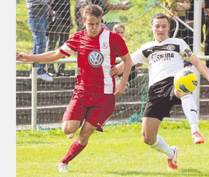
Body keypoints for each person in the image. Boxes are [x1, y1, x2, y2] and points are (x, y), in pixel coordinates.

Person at [17, 4, 133, 173]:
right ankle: (78, 119)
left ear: (102, 21)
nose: (93, 28)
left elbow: (128, 61)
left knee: (85, 133)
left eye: (97, 23)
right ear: (83, 22)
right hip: (82, 92)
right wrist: (29, 57)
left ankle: (64, 162)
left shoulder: (113, 38)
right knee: (67, 129)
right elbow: (55, 54)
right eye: (90, 24)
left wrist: (122, 83)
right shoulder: (78, 38)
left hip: (105, 96)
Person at [112, 13, 209, 169]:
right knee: (148, 138)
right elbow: (126, 64)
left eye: (164, 26)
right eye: (157, 26)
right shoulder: (146, 48)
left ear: (169, 27)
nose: (160, 29)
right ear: (152, 28)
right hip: (155, 91)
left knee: (183, 87)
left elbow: (195, 61)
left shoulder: (178, 43)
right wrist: (112, 71)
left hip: (174, 81)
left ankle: (195, 130)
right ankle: (171, 153)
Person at [26, 0, 53, 81]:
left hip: (43, 13)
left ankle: (34, 70)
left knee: (37, 44)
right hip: (35, 13)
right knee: (41, 43)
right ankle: (39, 71)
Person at [46, 0, 73, 76]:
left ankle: (61, 70)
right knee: (52, 43)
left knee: (64, 45)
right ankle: (50, 69)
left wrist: (69, 18)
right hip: (55, 16)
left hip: (66, 16)